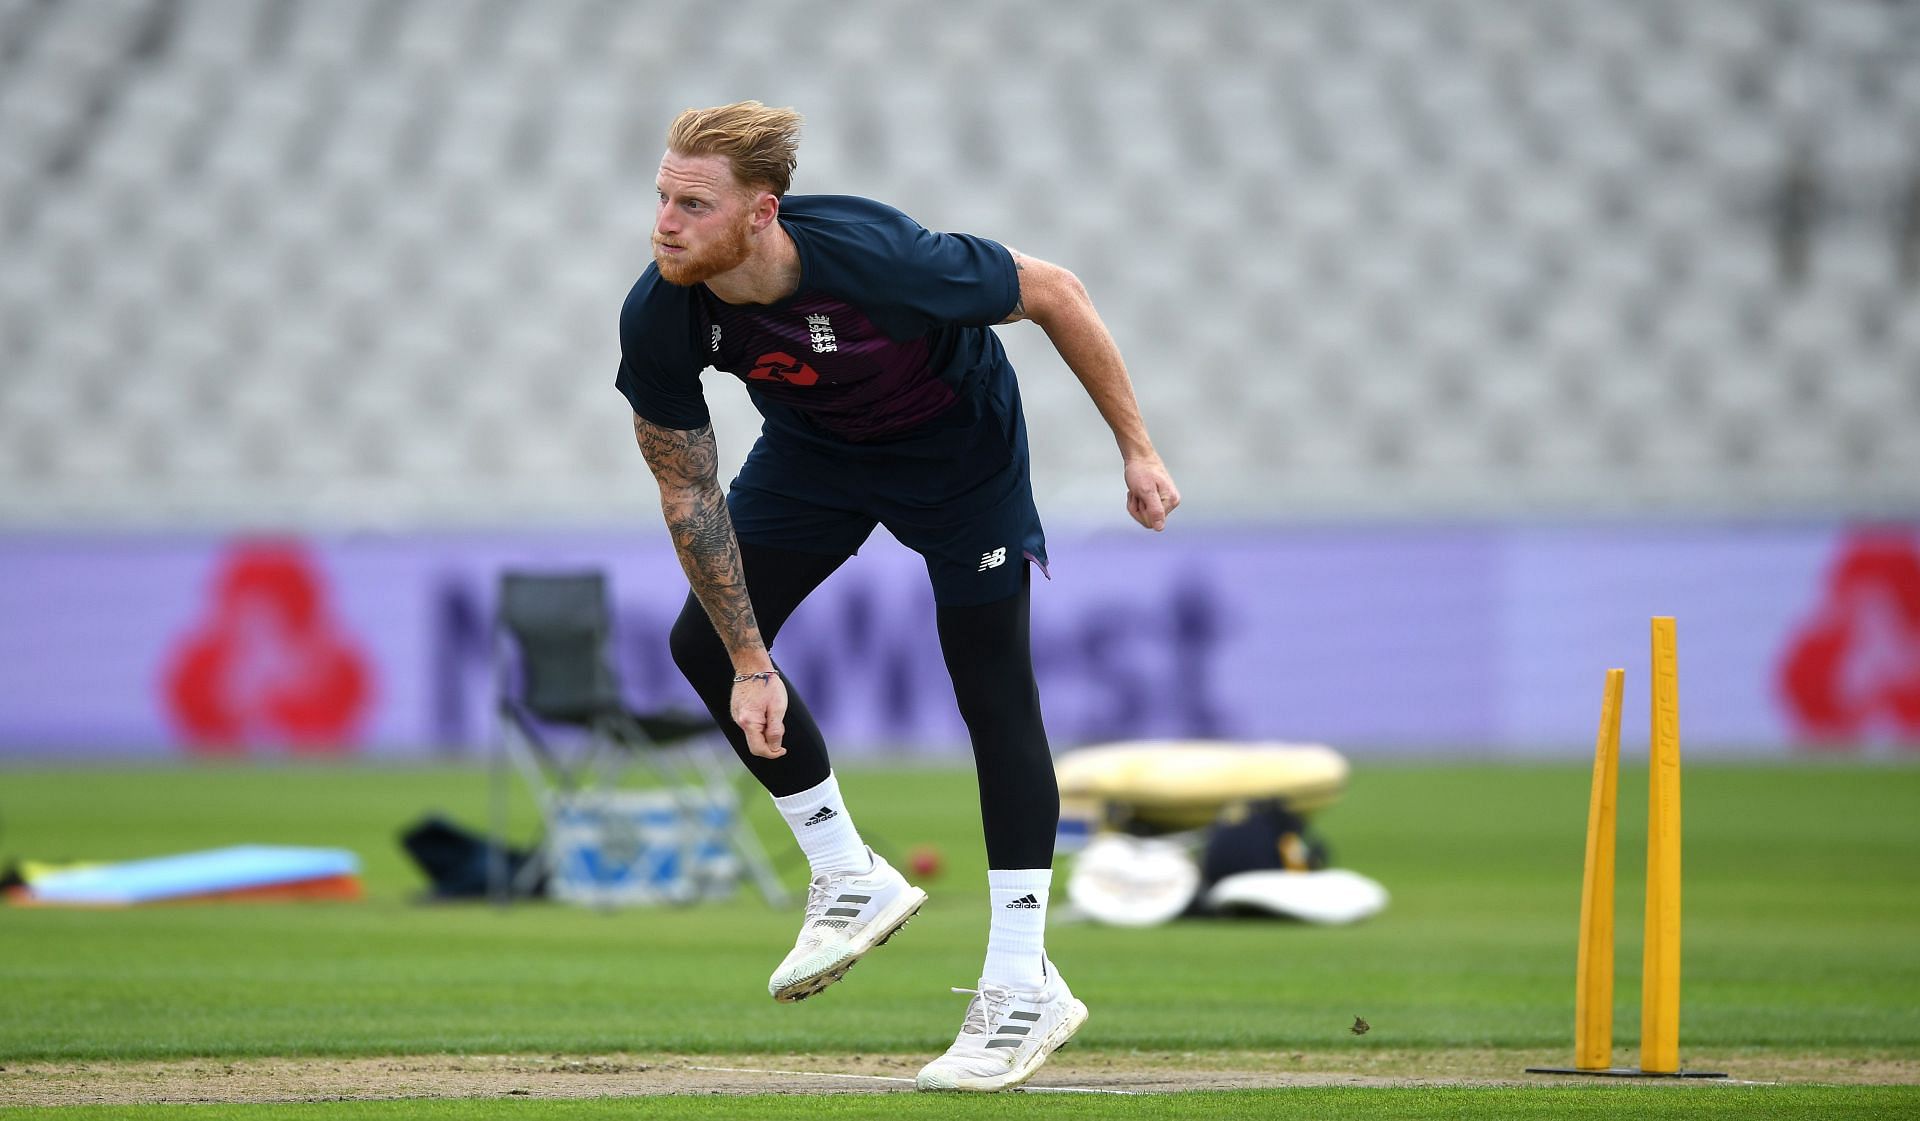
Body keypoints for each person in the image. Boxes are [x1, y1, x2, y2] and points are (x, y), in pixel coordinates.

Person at [617, 101, 1180, 1093]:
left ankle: (1022, 979)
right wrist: (754, 663)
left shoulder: (882, 257)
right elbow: (687, 488)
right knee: (702, 646)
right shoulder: (664, 310)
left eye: (692, 203)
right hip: (815, 458)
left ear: (762, 213)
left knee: (991, 690)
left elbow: (1056, 290)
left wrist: (1136, 450)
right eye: (662, 196)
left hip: (961, 459)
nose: (664, 221)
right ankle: (846, 869)